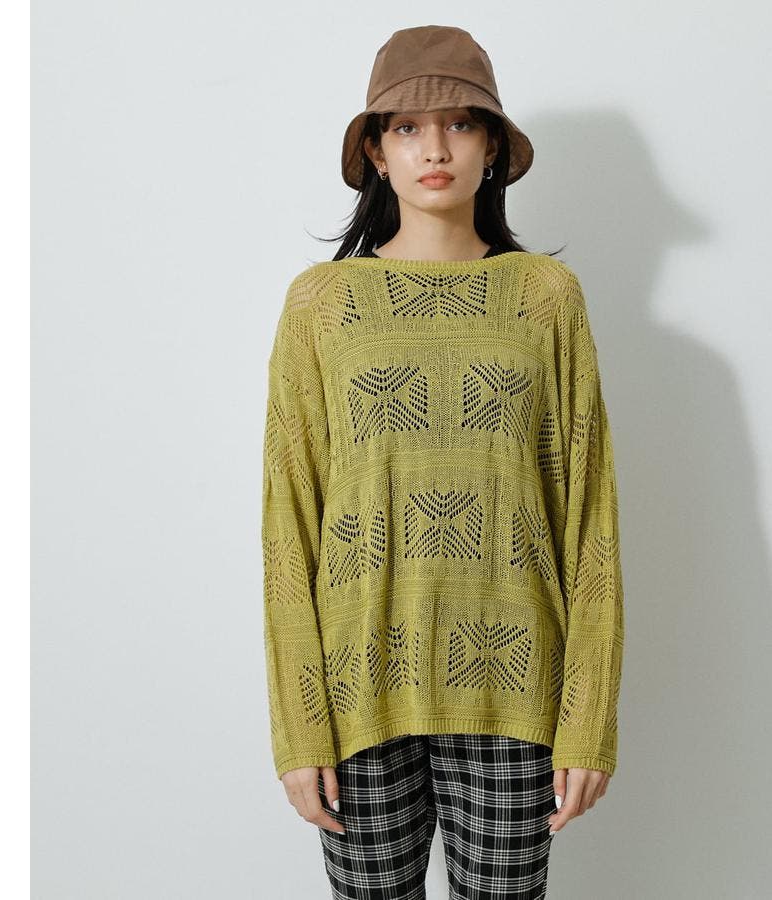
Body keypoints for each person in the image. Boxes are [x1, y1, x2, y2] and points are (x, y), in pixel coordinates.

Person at [261, 24, 626, 899]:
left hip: (518, 691)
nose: (435, 149)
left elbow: (590, 520)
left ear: (492, 147)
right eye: (407, 128)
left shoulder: (545, 298)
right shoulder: (322, 306)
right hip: (355, 692)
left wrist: (589, 718)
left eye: (461, 124)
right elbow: (288, 524)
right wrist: (299, 727)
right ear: (376, 152)